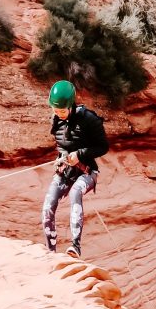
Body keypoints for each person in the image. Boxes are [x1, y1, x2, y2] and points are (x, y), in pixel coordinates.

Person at [42, 80, 109, 258]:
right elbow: (61, 145)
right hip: (66, 171)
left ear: (71, 105)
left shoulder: (89, 119)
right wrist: (61, 159)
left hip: (87, 172)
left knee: (75, 193)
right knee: (48, 204)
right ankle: (51, 252)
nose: (58, 114)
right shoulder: (56, 119)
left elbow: (103, 147)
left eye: (62, 110)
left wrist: (79, 155)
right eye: (55, 110)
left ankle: (75, 246)